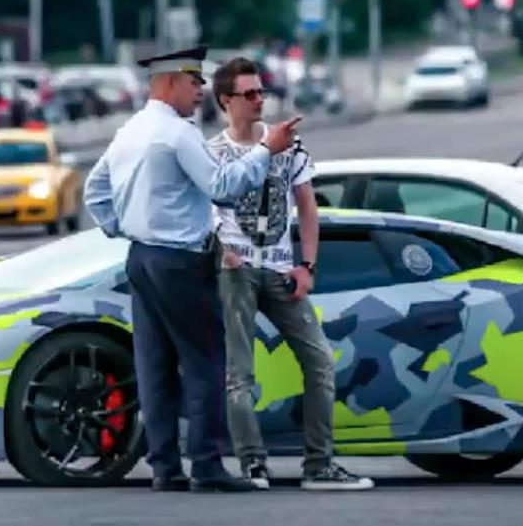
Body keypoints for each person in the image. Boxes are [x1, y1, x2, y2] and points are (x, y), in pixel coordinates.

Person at [83, 46, 303, 493]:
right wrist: (265, 150)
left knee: (154, 366)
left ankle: (165, 468)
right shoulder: (176, 133)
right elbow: (223, 187)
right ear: (168, 83)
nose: (201, 90)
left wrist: (125, 227)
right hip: (180, 262)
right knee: (204, 361)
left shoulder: (130, 130)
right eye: (194, 81)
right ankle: (206, 466)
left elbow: (94, 192)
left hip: (142, 259)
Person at [208, 57, 374, 491]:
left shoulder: (287, 144)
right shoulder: (213, 153)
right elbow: (200, 212)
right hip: (237, 270)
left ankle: (319, 464)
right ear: (227, 101)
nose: (259, 99)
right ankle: (252, 463)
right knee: (239, 373)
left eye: (261, 91)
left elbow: (306, 204)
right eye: (249, 94)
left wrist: (308, 264)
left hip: (282, 268)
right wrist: (222, 251)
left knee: (319, 360)